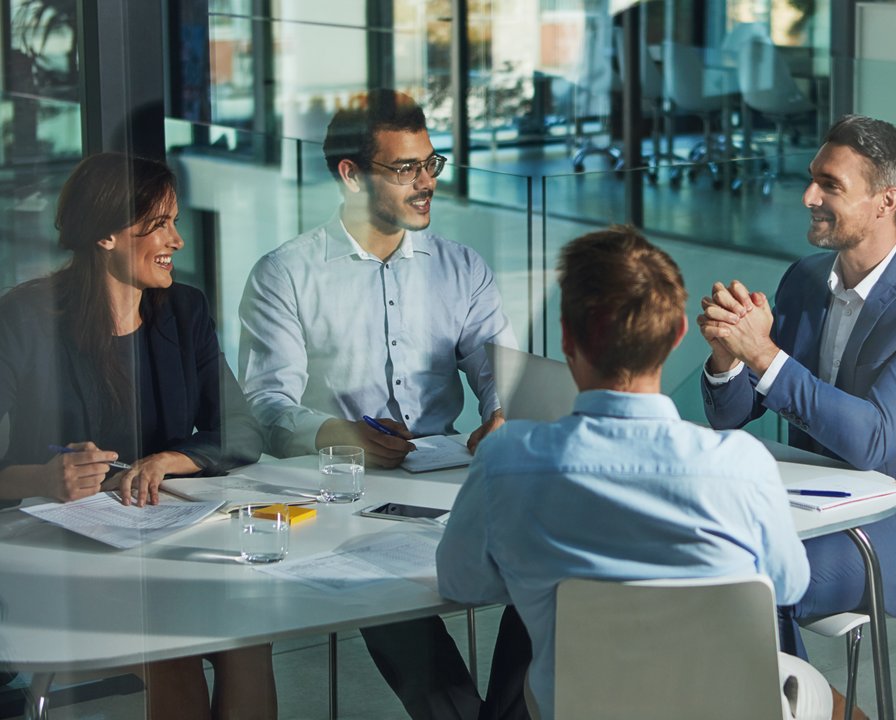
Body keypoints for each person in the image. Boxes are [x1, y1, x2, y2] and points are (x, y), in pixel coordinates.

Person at [438, 226, 831, 720]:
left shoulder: (505, 461)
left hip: (580, 711)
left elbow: (461, 582)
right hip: (721, 709)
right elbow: (789, 587)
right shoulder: (741, 465)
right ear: (678, 335)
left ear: (567, 338)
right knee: (809, 688)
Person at [237, 89, 521, 719]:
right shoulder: (285, 274)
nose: (426, 183)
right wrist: (339, 433)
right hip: (347, 495)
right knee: (381, 589)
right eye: (406, 168)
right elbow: (264, 404)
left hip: (451, 479)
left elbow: (500, 371)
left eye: (430, 163)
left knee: (550, 561)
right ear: (351, 175)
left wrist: (502, 413)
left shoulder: (461, 268)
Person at [698, 115, 896, 692]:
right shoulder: (805, 280)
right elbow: (729, 416)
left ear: (886, 202)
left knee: (753, 581)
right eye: (813, 178)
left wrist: (764, 355)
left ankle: (802, 708)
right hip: (813, 510)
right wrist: (728, 356)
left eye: (830, 185)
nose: (809, 196)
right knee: (693, 560)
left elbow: (872, 439)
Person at [0, 152, 275, 719]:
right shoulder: (25, 316)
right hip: (58, 550)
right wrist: (44, 479)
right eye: (159, 224)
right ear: (105, 235)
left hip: (162, 539)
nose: (177, 240)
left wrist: (168, 459)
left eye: (174, 222)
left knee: (248, 635)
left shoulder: (185, 310)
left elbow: (242, 429)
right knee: (171, 649)